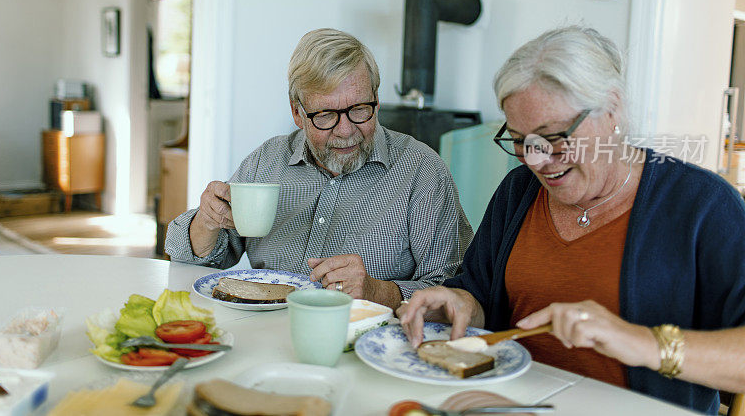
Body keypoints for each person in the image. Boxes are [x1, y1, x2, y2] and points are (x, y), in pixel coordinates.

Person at [398, 26, 745, 414]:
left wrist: (638, 341)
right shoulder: (518, 191)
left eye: (553, 136)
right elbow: (479, 296)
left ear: (611, 109)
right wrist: (456, 301)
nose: (535, 159)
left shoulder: (703, 206)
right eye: (519, 139)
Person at [166, 28, 473, 310]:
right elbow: (188, 257)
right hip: (263, 334)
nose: (345, 130)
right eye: (326, 115)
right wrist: (206, 222)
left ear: (376, 101)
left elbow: (457, 293)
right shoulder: (268, 160)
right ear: (297, 113)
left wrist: (378, 292)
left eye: (359, 110)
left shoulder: (422, 172)